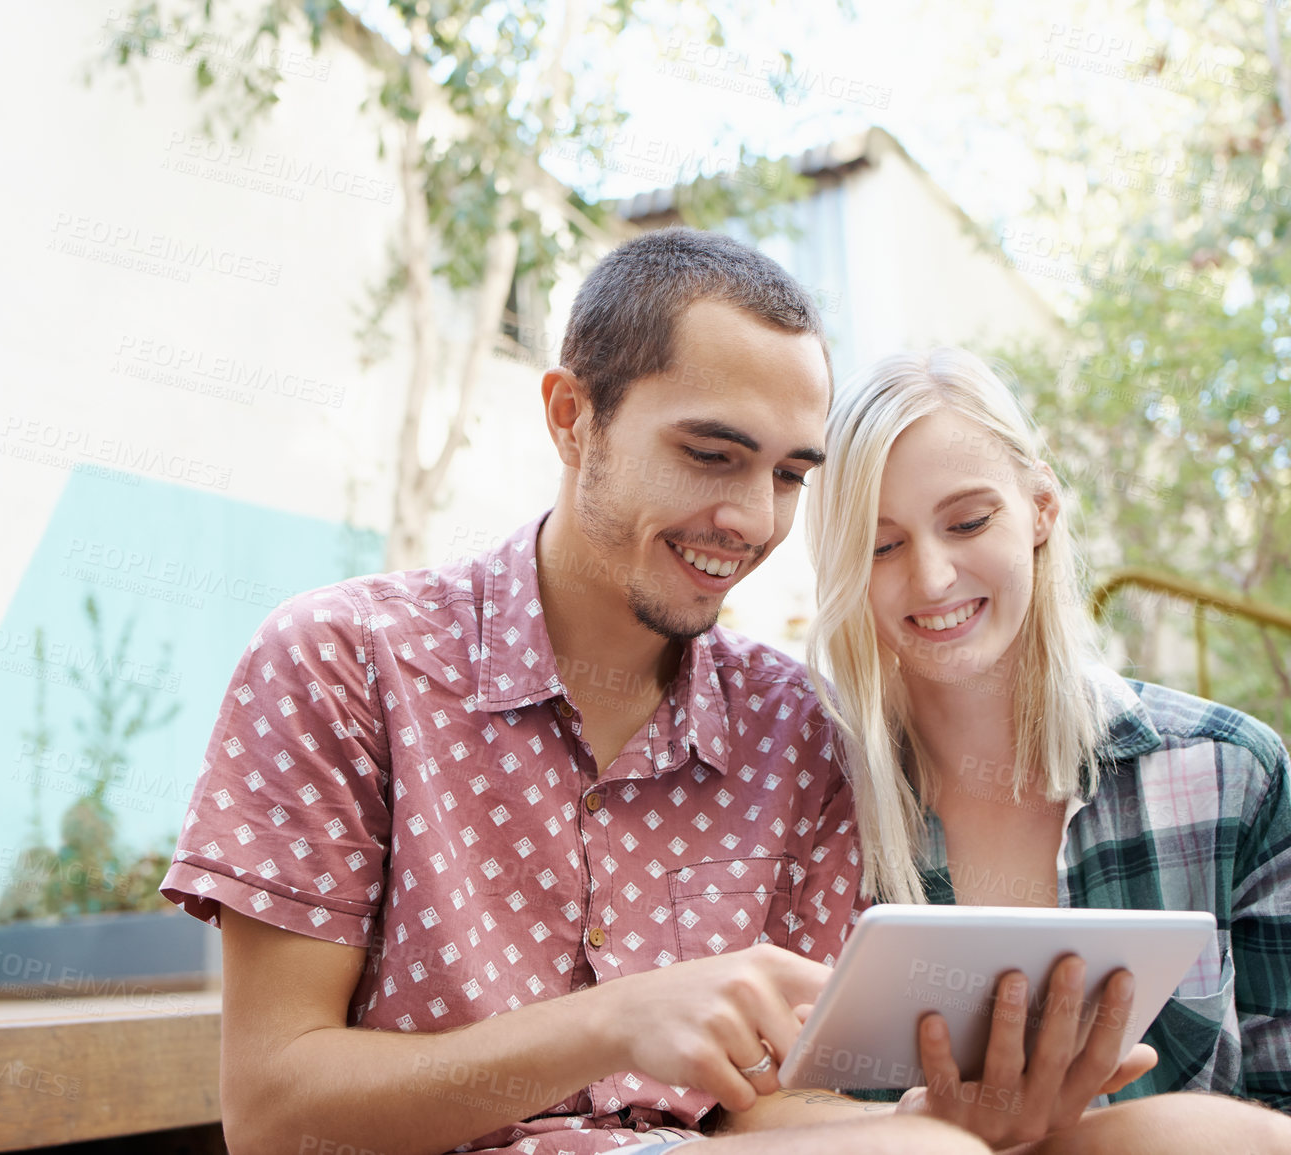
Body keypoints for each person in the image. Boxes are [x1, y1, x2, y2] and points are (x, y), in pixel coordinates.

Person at [152, 230, 1143, 1155]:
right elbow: (274, 1108)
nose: (751, 520)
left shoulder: (794, 729)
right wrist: (615, 1021)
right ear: (571, 419)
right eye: (710, 455)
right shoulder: (344, 663)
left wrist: (929, 1120)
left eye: (790, 475)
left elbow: (779, 1099)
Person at [803, 346, 1291, 1153]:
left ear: (1040, 507)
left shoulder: (1227, 774)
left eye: (968, 521)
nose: (933, 576)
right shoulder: (803, 800)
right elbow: (749, 1114)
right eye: (879, 545)